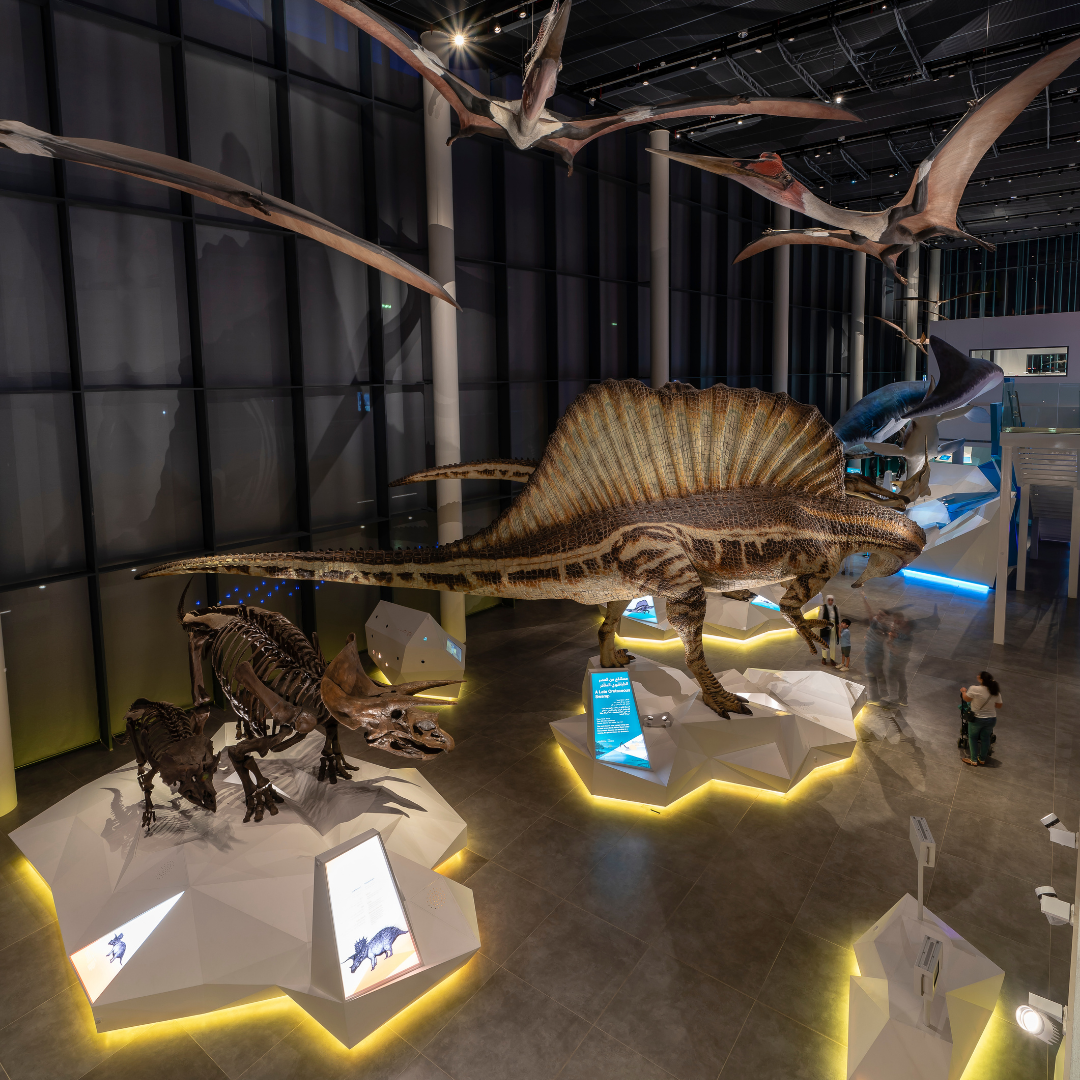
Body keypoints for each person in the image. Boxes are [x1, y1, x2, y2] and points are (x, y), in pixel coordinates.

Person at [961, 672, 1003, 765]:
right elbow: (999, 705)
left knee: (973, 738)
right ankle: (982, 759)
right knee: (985, 738)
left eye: (979, 675)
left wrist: (963, 691)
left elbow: (967, 699)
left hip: (977, 718)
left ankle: (973, 760)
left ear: (982, 679)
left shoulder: (974, 688)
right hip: (991, 719)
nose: (977, 676)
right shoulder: (994, 691)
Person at [820, 594, 841, 666]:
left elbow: (838, 618)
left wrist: (839, 628)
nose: (830, 601)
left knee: (832, 643)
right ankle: (824, 657)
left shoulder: (836, 608)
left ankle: (832, 658)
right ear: (827, 600)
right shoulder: (823, 608)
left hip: (833, 627)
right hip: (825, 626)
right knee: (824, 642)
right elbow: (820, 618)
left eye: (832, 600)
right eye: (829, 600)